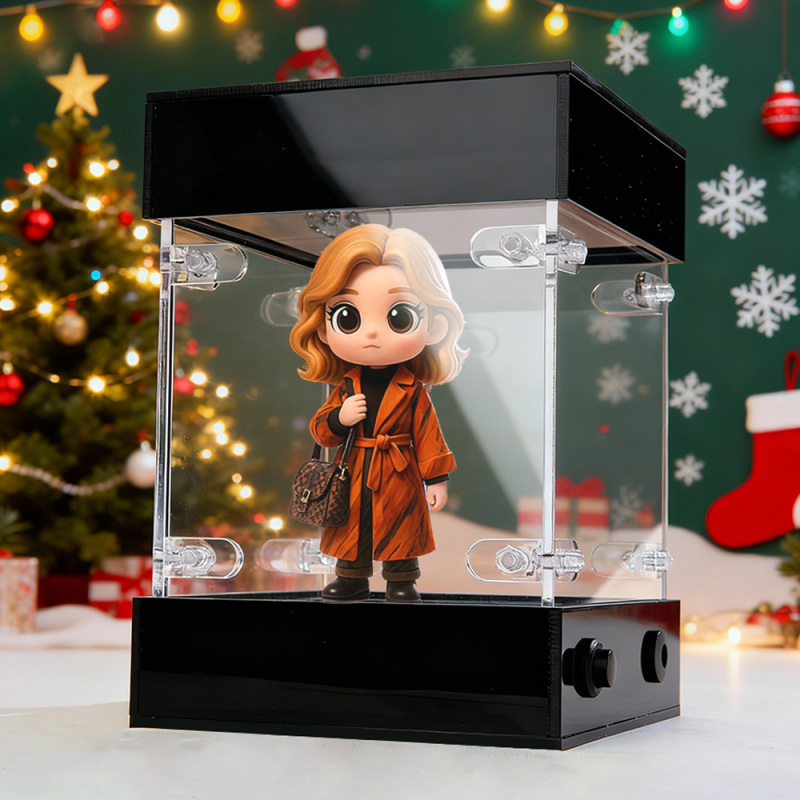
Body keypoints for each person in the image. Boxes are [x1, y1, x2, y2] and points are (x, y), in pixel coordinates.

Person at [290, 224, 466, 603]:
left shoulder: (412, 389)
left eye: (399, 316)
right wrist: (340, 418)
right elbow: (322, 430)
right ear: (323, 328)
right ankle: (351, 578)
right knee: (352, 524)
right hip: (354, 466)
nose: (371, 334)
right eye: (348, 318)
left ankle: (401, 581)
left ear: (433, 326)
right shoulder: (345, 385)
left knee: (400, 526)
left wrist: (436, 479)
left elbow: (428, 434)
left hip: (399, 470)